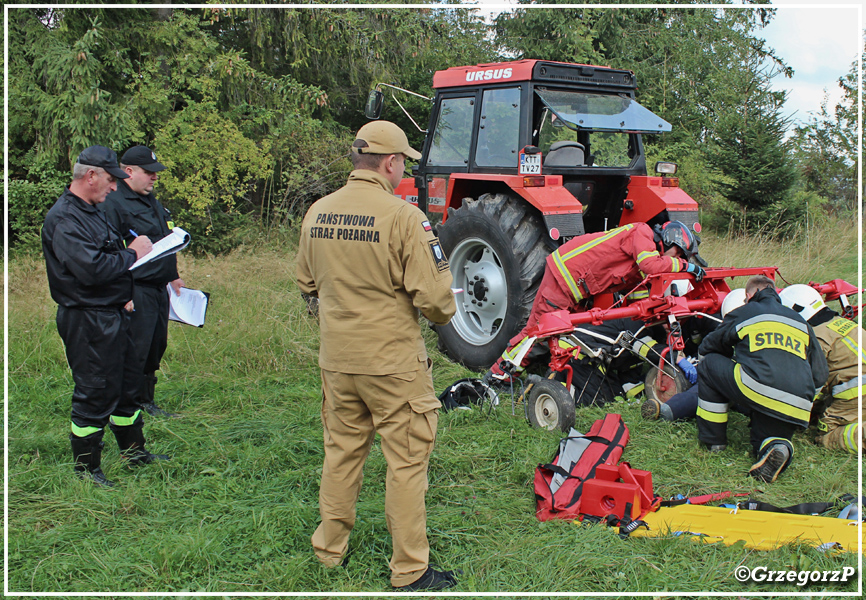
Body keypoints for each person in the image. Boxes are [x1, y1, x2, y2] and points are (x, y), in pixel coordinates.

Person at [296, 121, 458, 591]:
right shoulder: (404, 217)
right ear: (390, 163)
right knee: (406, 463)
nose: (402, 168)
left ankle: (328, 551)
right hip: (392, 365)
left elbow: (307, 284)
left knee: (341, 453)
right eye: (402, 161)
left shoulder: (317, 212)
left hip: (337, 360)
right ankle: (410, 570)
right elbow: (435, 300)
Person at [41, 145, 170, 487]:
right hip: (86, 319)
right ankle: (87, 470)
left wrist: (125, 294)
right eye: (111, 180)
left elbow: (108, 252)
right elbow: (93, 270)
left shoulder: (93, 209)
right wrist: (133, 253)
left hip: (115, 312)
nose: (115, 187)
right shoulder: (65, 219)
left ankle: (134, 453)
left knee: (128, 386)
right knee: (95, 392)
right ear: (91, 176)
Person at [490, 220, 706, 380]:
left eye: (681, 259)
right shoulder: (643, 233)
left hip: (580, 285)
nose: (677, 260)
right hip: (566, 276)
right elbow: (651, 266)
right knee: (537, 331)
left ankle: (540, 369)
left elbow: (640, 292)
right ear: (668, 239)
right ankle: (499, 376)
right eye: (677, 254)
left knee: (565, 332)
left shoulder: (647, 254)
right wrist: (687, 267)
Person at [695, 275, 828, 483]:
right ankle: (777, 447)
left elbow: (708, 347)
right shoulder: (801, 322)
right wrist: (805, 403)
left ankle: (713, 441)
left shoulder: (745, 311)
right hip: (798, 402)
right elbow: (820, 375)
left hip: (758, 387)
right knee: (764, 438)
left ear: (749, 295)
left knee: (709, 363)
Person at [101, 146, 183, 418]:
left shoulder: (150, 199)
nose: (154, 178)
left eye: (155, 173)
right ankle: (128, 405)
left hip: (160, 287)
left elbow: (163, 239)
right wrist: (122, 293)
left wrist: (173, 274)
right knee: (136, 347)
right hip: (135, 287)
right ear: (128, 171)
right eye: (148, 173)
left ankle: (147, 400)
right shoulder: (113, 203)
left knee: (156, 345)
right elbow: (110, 252)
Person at [642, 288, 747, 422]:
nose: (668, 323)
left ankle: (667, 412)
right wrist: (680, 359)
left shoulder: (708, 318)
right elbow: (650, 347)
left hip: (728, 369)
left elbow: (717, 349)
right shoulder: (656, 322)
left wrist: (700, 363)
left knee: (708, 387)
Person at [780, 284, 864, 453]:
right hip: (857, 390)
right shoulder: (841, 323)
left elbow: (810, 387)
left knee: (826, 436)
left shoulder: (815, 340)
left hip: (857, 396)